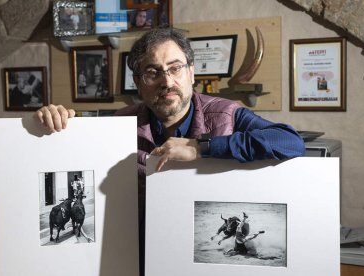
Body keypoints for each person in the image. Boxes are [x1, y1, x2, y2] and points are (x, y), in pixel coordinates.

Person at [35, 27, 305, 275]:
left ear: (191, 73)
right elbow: (75, 161)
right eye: (153, 73)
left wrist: (202, 148)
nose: (167, 81)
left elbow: (290, 142)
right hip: (136, 259)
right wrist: (55, 125)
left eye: (175, 68)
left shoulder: (227, 115)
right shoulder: (117, 125)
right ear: (138, 83)